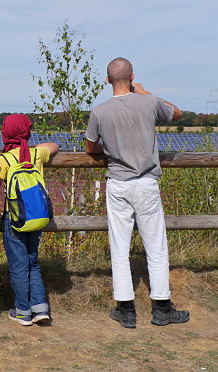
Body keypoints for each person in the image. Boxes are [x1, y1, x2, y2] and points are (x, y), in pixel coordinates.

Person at [85, 57, 189, 328]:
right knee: (156, 247)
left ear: (107, 80)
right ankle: (162, 307)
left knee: (119, 247)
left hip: (118, 182)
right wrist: (144, 93)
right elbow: (177, 113)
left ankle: (126, 308)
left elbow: (90, 148)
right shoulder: (148, 102)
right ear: (132, 77)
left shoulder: (99, 112)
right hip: (146, 183)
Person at [0, 114, 59, 326]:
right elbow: (54, 146)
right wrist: (29, 145)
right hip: (37, 217)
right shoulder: (36, 154)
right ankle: (40, 308)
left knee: (19, 264)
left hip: (15, 218)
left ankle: (22, 310)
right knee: (33, 261)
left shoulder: (5, 159)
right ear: (27, 133)